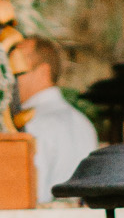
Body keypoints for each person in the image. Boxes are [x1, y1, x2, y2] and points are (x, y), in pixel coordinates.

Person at [17, 37, 98, 198]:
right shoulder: (84, 123)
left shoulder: (31, 125)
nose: (11, 78)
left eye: (18, 71)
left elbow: (31, 196)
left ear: (43, 71)